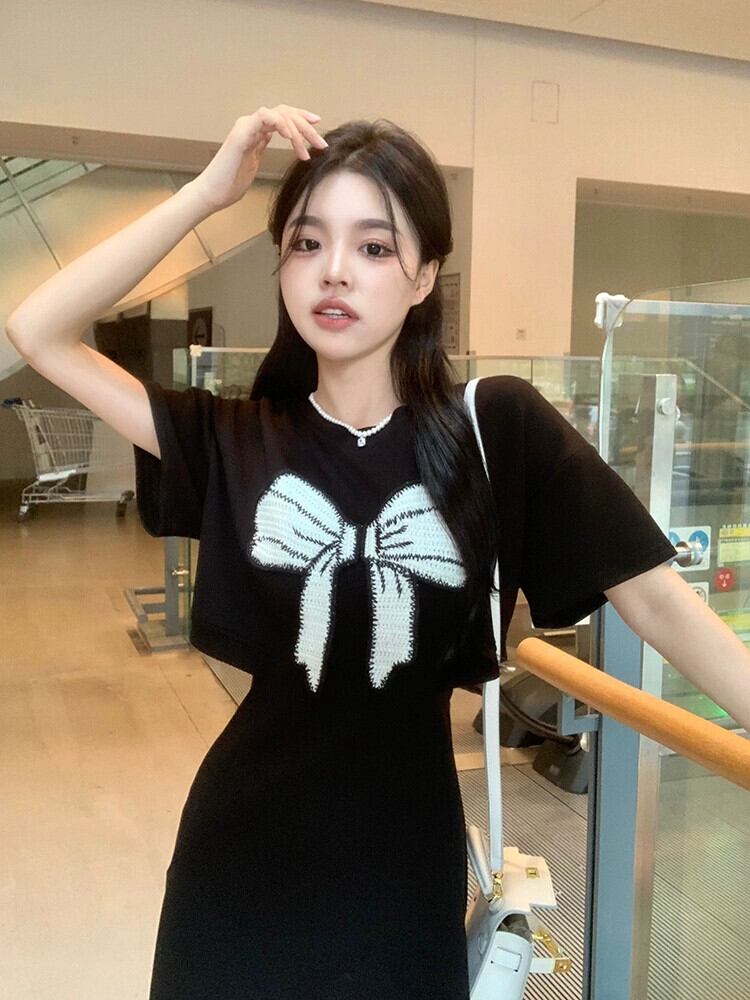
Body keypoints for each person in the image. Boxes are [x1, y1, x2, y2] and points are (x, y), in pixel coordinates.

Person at [6, 104, 750, 1000]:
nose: (334, 271)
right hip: (238, 864)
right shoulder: (235, 437)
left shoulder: (494, 430)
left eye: (372, 246)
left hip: (403, 869)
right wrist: (207, 194)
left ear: (425, 274)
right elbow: (38, 330)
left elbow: (655, 596)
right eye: (306, 242)